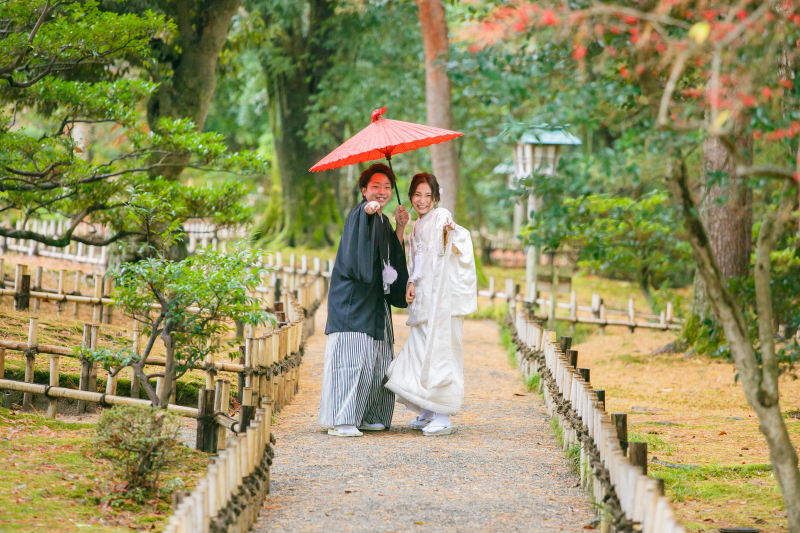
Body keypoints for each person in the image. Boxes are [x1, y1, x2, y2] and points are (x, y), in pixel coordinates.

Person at [319, 163, 410, 437]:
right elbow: (366, 211)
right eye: (375, 187)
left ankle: (370, 415)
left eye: (386, 187)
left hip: (375, 300)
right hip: (354, 300)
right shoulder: (362, 212)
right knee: (352, 357)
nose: (381, 192)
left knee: (379, 360)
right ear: (363, 190)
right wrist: (370, 207)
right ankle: (342, 418)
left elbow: (390, 254)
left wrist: (400, 227)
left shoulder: (383, 220)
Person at [385, 173, 477, 436]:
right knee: (420, 350)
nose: (422, 200)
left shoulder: (440, 216)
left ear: (436, 197)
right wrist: (411, 281)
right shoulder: (416, 225)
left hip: (441, 297)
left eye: (428, 195)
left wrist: (450, 233)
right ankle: (428, 406)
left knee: (439, 351)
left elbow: (455, 236)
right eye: (417, 195)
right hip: (424, 296)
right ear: (411, 196)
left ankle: (444, 413)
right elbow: (417, 261)